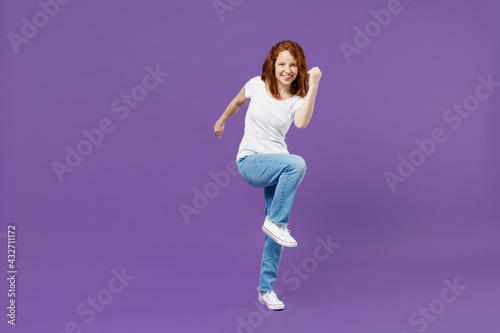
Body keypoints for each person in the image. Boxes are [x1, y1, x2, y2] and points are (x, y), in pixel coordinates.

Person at [213, 40, 321, 310]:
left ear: (300, 69)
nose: (287, 70)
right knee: (297, 164)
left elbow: (301, 123)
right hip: (251, 161)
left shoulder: (296, 99)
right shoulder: (257, 85)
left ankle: (266, 290)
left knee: (275, 233)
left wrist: (314, 85)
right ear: (272, 64)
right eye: (282, 63)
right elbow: (237, 102)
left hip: (277, 165)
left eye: (293, 65)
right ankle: (276, 222)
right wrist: (221, 120)